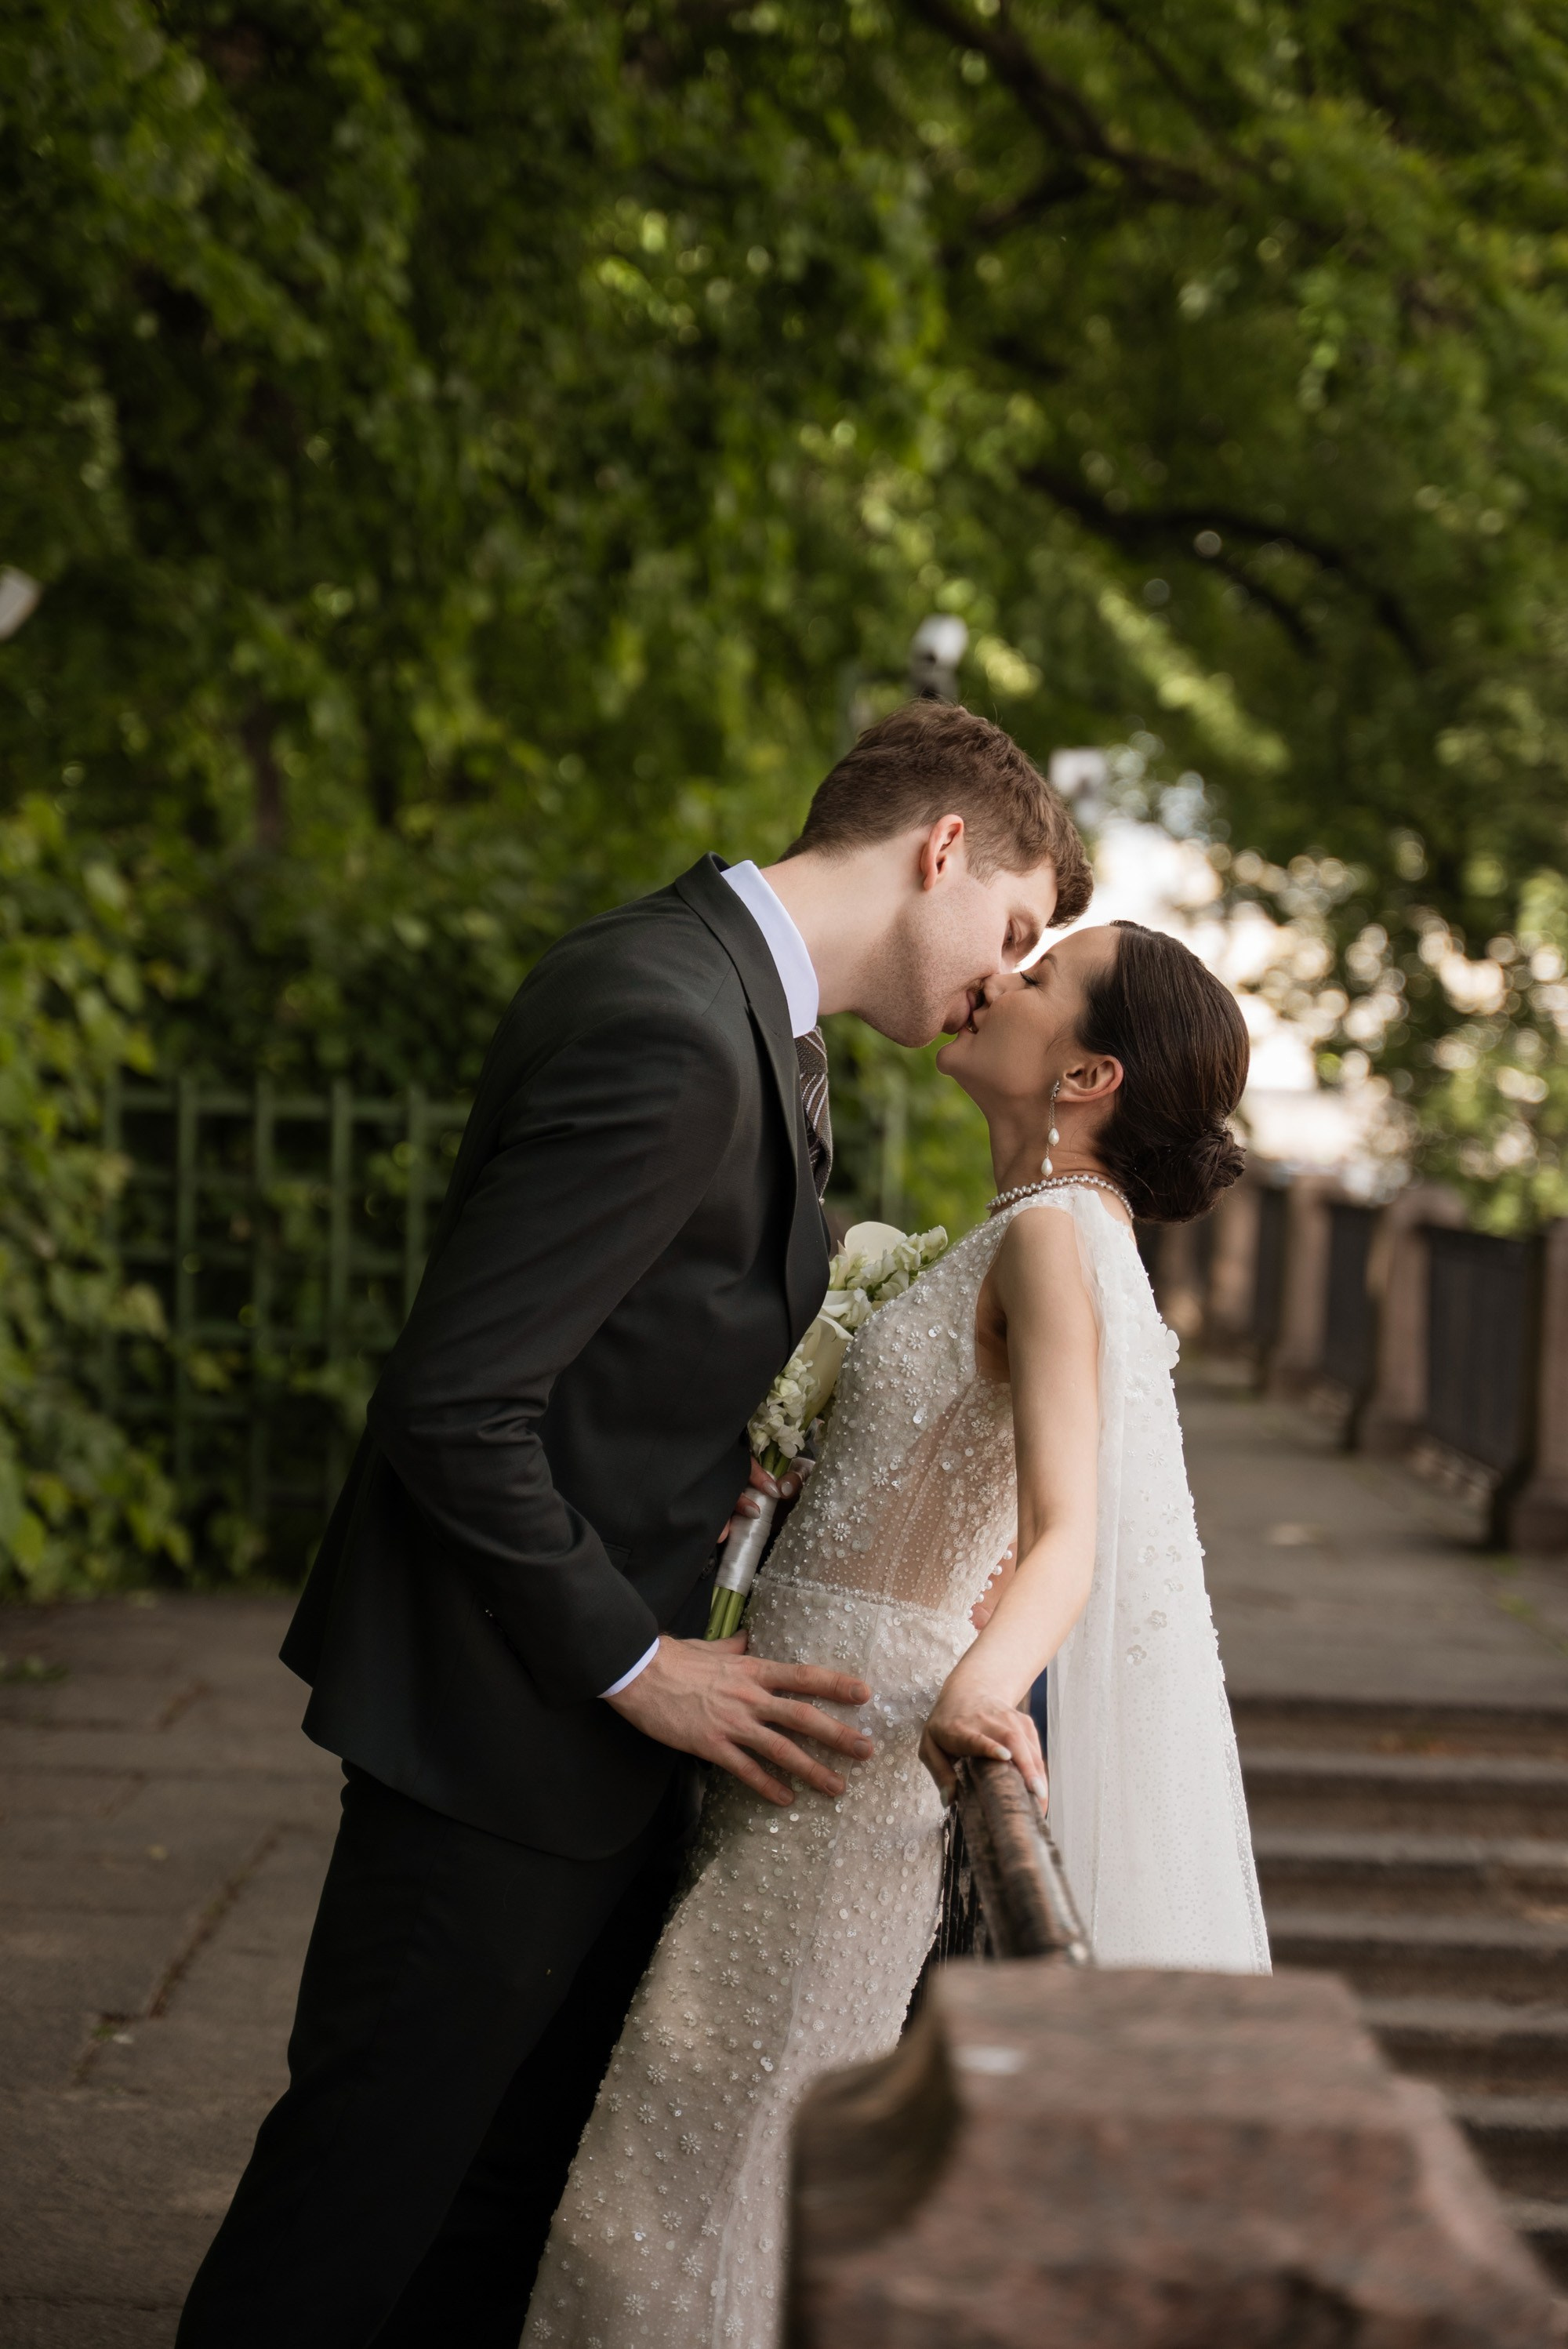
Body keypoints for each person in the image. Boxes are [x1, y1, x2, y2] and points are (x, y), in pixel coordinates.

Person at [174, 699, 1091, 2349]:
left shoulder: (742, 1011)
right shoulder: (673, 1019)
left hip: (567, 1765)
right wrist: (637, 1667)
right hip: (500, 1738)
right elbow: (455, 1402)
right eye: (1014, 929)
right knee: (346, 2227)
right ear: (940, 846)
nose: (999, 978)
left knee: (475, 2228)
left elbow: (621, 1364)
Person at [521, 917, 1270, 2349]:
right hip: (798, 1719)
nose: (998, 978)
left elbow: (1068, 1529)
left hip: (857, 1755)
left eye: (1040, 977)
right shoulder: (1022, 1229)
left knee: (706, 2166)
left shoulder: (1058, 1242)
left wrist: (984, 1683)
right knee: (695, 2152)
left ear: (1089, 1075)